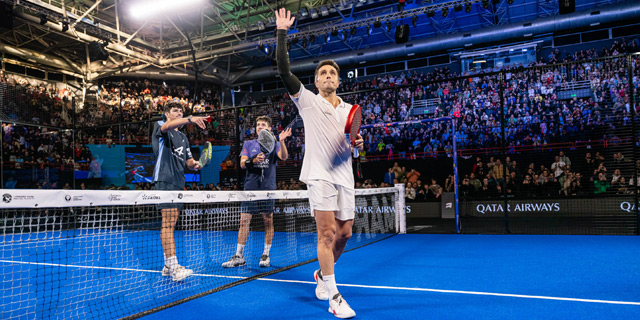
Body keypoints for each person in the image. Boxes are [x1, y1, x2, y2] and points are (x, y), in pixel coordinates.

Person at [276, 8, 362, 318]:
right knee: (326, 235)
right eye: (322, 73)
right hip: (319, 175)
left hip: (345, 176)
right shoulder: (307, 101)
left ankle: (322, 275)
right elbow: (284, 71)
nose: (327, 76)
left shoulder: (349, 109)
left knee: (345, 234)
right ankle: (335, 297)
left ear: (339, 81)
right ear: (315, 81)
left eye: (332, 74)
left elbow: (350, 146)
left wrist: (357, 146)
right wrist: (282, 32)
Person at [222, 116, 291, 268]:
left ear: (269, 128)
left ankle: (266, 254)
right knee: (244, 221)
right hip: (250, 188)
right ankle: (239, 256)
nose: (260, 127)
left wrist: (281, 141)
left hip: (267, 189)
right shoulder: (249, 143)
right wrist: (253, 160)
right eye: (258, 125)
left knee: (268, 221)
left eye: (263, 125)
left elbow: (283, 157)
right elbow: (242, 164)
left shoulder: (275, 144)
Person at [152, 101, 208, 281]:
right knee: (167, 223)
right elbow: (168, 126)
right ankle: (174, 266)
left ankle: (168, 266)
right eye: (175, 111)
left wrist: (196, 165)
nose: (178, 113)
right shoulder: (161, 125)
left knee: (171, 223)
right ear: (167, 114)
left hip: (178, 183)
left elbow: (188, 161)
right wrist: (189, 118)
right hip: (164, 180)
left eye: (181, 111)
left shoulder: (183, 138)